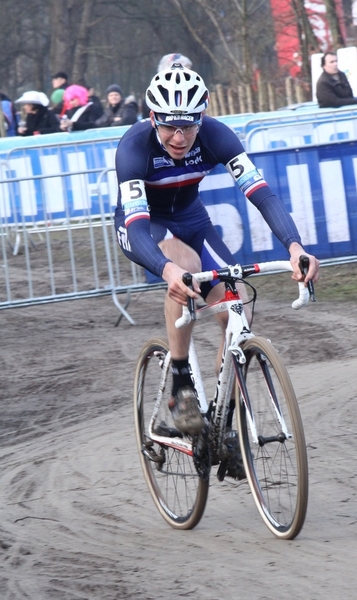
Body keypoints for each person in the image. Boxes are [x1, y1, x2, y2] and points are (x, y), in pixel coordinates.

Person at [114, 63, 320, 438]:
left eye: (189, 125)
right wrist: (167, 270)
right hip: (143, 225)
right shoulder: (133, 148)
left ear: (202, 118)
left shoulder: (217, 136)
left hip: (193, 219)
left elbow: (262, 195)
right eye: (170, 126)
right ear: (152, 118)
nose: (180, 137)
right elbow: (137, 225)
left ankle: (226, 405)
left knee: (237, 299)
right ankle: (180, 379)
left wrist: (294, 246)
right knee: (187, 265)